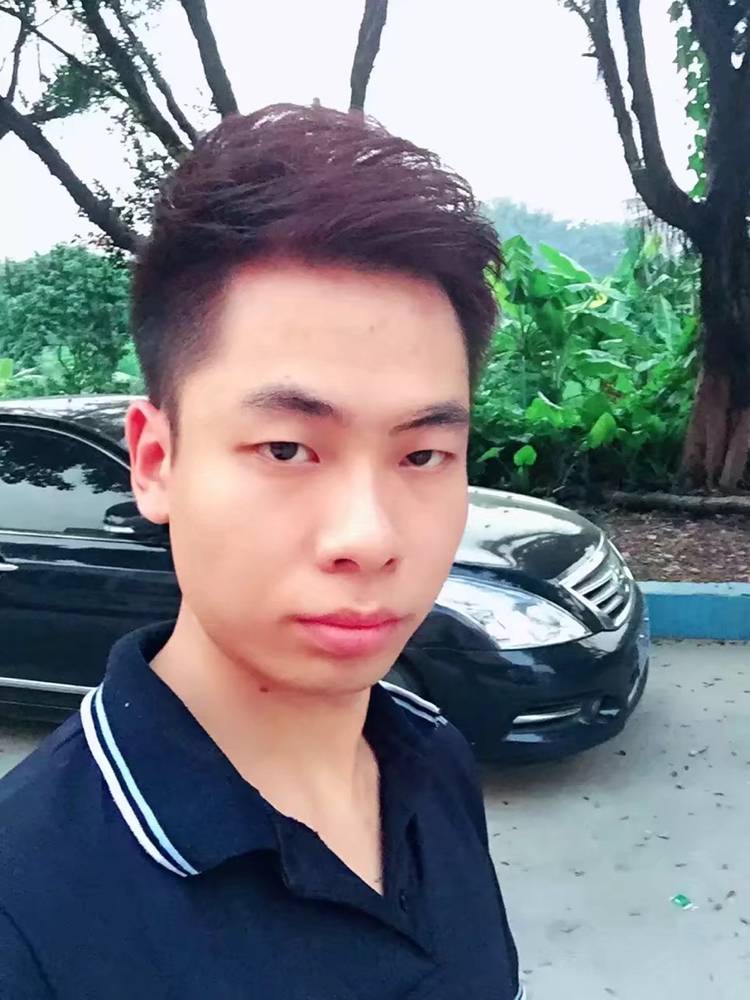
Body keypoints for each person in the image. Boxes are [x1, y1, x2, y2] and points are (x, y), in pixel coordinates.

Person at [0, 103, 522, 999]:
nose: (368, 537)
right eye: (287, 449)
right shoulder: (27, 912)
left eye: (422, 455)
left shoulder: (432, 756)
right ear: (156, 462)